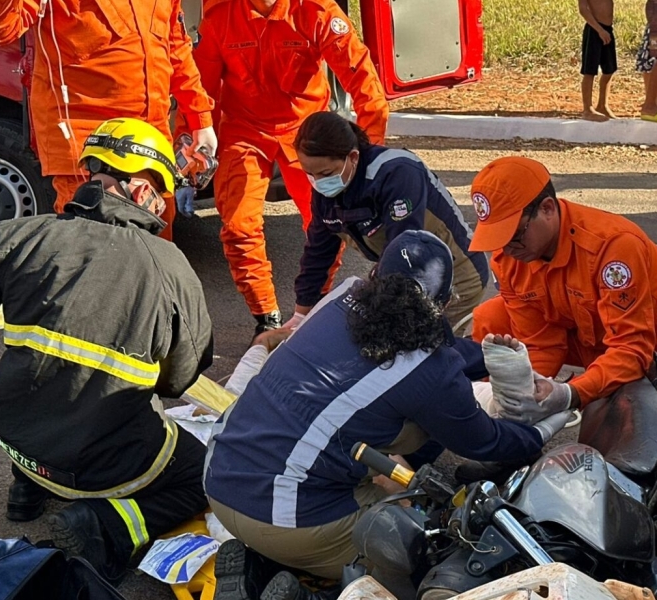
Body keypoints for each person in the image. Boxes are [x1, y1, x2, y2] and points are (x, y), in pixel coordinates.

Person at [0, 118, 214, 582]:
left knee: (38, 396)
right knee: (203, 474)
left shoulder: (19, 236)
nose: (161, 204)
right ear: (138, 189)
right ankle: (108, 525)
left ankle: (27, 487)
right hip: (109, 463)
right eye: (161, 191)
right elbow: (180, 378)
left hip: (13, 434)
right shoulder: (169, 266)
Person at [204, 231, 568, 600]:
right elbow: (483, 440)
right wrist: (539, 433)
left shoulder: (341, 294)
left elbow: (445, 353)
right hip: (285, 517)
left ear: (376, 274)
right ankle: (308, 595)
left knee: (366, 429)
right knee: (422, 555)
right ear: (439, 305)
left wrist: (483, 356)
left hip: (220, 475)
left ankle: (264, 566)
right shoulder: (426, 370)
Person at [191, 0, 390, 336]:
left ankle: (313, 307)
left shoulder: (316, 12)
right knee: (239, 226)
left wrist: (368, 158)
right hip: (244, 131)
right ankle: (266, 318)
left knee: (326, 223)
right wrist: (196, 147)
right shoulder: (221, 16)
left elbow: (365, 85)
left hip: (306, 130)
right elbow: (201, 90)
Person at [467, 156, 657, 422]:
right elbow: (539, 342)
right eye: (497, 237)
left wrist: (570, 393)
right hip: (596, 344)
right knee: (492, 317)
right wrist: (527, 396)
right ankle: (501, 427)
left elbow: (632, 349)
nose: (507, 249)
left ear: (547, 209)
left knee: (631, 445)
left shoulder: (613, 247)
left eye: (514, 235)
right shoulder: (510, 257)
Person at [0, 0, 217, 240]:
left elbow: (175, 45)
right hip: (91, 154)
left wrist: (200, 118)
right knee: (94, 259)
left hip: (151, 144)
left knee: (156, 251)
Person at [290, 111, 489, 330]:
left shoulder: (397, 173)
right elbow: (318, 253)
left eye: (325, 173)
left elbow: (406, 250)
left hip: (453, 275)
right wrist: (301, 316)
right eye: (310, 174)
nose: (318, 182)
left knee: (427, 355)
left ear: (353, 157)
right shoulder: (326, 192)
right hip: (403, 273)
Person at [578, 0, 618, 121]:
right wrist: (599, 30)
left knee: (609, 70)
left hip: (607, 29)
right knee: (589, 71)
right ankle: (587, 109)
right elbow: (583, 9)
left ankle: (602, 105)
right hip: (594, 29)